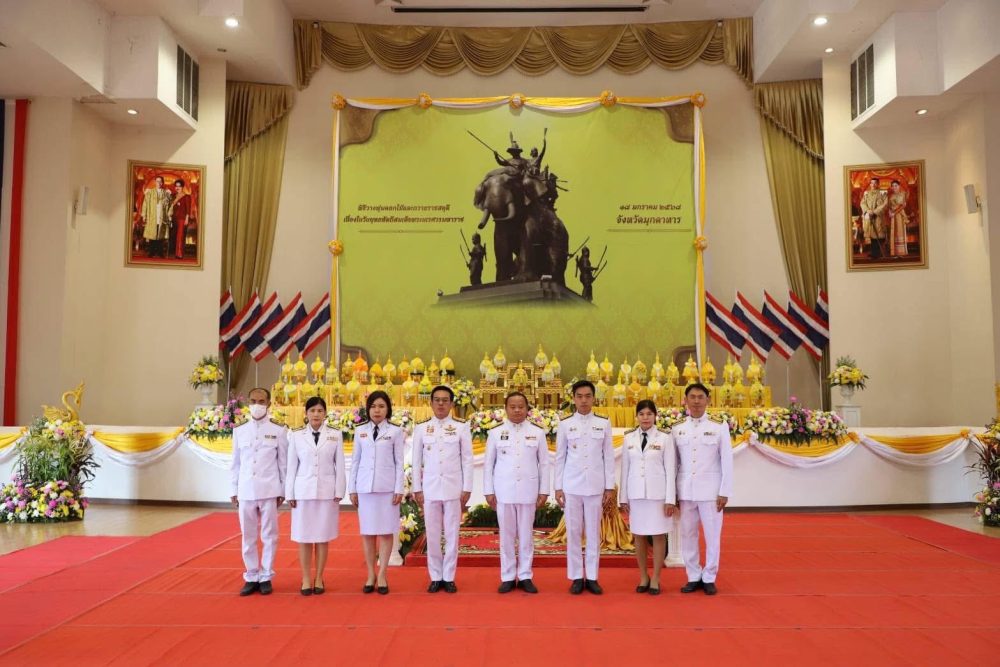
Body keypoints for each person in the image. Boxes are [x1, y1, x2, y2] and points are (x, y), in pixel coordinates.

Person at [483, 392, 550, 594]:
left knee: (526, 535)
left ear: (527, 409)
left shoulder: (538, 432)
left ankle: (525, 575)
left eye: (521, 406)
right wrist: (488, 491)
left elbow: (544, 464)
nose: (517, 410)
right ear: (506, 409)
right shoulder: (495, 432)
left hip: (529, 491)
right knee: (506, 536)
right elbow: (489, 464)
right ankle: (508, 576)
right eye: (512, 406)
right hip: (504, 491)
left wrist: (544, 490)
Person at [554, 380, 614, 594]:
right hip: (572, 485)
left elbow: (608, 456)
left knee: (593, 532)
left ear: (593, 398)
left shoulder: (603, 422)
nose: (584, 400)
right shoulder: (565, 423)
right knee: (573, 531)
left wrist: (609, 487)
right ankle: (576, 577)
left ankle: (593, 577)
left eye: (588, 396)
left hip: (595, 486)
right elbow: (560, 457)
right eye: (579, 396)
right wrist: (558, 487)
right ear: (573, 398)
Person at [412, 385, 473, 593]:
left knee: (452, 533)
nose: (440, 404)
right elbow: (416, 461)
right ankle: (435, 576)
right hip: (430, 488)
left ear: (451, 403)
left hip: (453, 487)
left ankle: (449, 576)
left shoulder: (461, 427)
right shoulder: (422, 428)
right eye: (437, 400)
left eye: (445, 400)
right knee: (432, 533)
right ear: (430, 403)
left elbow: (467, 459)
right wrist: (417, 488)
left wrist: (467, 487)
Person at [675, 383, 733, 596]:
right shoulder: (677, 427)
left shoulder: (719, 426)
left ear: (708, 400)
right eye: (692, 397)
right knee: (688, 534)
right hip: (686, 491)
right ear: (685, 400)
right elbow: (674, 463)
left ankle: (709, 576)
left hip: (711, 491)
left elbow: (727, 460)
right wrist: (673, 493)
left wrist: (724, 491)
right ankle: (693, 575)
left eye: (701, 397)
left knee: (712, 535)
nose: (696, 401)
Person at [230, 387, 288, 596]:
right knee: (248, 535)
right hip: (246, 489)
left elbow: (283, 464)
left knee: (270, 535)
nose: (257, 405)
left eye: (261, 401)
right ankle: (251, 574)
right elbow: (235, 463)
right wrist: (234, 489)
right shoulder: (240, 430)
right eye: (253, 401)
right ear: (248, 403)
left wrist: (282, 490)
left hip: (269, 489)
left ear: (269, 404)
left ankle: (266, 575)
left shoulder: (279, 430)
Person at [285, 396, 345, 596]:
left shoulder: (335, 434)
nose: (316, 414)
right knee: (304, 537)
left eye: (320, 410)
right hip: (303, 492)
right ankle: (305, 578)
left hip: (326, 492)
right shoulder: (296, 435)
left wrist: (339, 491)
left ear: (325, 413)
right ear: (306, 413)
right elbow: (291, 467)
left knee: (322, 537)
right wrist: (289, 493)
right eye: (312, 411)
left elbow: (340, 465)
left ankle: (319, 577)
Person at [349, 390, 405, 595]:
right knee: (368, 533)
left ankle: (382, 574)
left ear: (388, 409)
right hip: (365, 488)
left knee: (386, 531)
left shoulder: (395, 431)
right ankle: (370, 574)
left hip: (387, 489)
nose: (377, 410)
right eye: (373, 406)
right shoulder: (360, 431)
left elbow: (399, 462)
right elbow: (355, 461)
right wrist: (352, 488)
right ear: (368, 409)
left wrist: (399, 488)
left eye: (381, 406)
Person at [619, 399, 676, 595]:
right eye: (642, 414)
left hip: (657, 495)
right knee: (639, 536)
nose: (645, 418)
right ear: (636, 416)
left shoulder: (665, 438)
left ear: (655, 416)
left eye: (649, 414)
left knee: (658, 535)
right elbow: (625, 469)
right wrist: (623, 498)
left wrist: (670, 499)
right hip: (636, 495)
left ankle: (656, 578)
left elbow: (670, 469)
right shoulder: (629, 438)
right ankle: (643, 576)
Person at [140, 175, 171, 258]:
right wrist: (144, 215)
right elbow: (145, 204)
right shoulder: (150, 192)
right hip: (152, 215)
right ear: (155, 182)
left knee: (160, 234)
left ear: (163, 183)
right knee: (152, 234)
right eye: (157, 181)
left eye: (160, 181)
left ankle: (160, 252)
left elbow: (169, 205)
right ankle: (152, 251)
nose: (159, 183)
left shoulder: (166, 193)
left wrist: (169, 215)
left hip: (162, 216)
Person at [860, 177, 888, 259]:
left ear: (878, 184)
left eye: (875, 183)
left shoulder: (883, 193)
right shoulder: (866, 194)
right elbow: (862, 203)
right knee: (872, 234)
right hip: (869, 216)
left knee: (879, 234)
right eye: (872, 183)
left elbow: (885, 204)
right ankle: (874, 253)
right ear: (870, 184)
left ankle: (879, 253)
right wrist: (868, 211)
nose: (873, 184)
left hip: (878, 217)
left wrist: (875, 212)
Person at [168, 178, 192, 259]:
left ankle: (179, 253)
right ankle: (176, 253)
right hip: (174, 218)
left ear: (182, 187)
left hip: (182, 218)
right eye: (176, 186)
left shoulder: (186, 197)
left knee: (180, 236)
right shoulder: (173, 196)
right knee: (175, 236)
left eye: (179, 186)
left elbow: (188, 209)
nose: (177, 188)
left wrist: (187, 218)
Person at [887, 179, 909, 257]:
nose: (894, 187)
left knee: (899, 232)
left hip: (899, 215)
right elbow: (889, 206)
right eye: (893, 186)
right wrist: (890, 212)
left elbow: (903, 205)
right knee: (894, 233)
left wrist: (894, 213)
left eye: (896, 186)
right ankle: (895, 252)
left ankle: (901, 253)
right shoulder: (891, 196)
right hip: (892, 217)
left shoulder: (903, 194)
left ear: (899, 186)